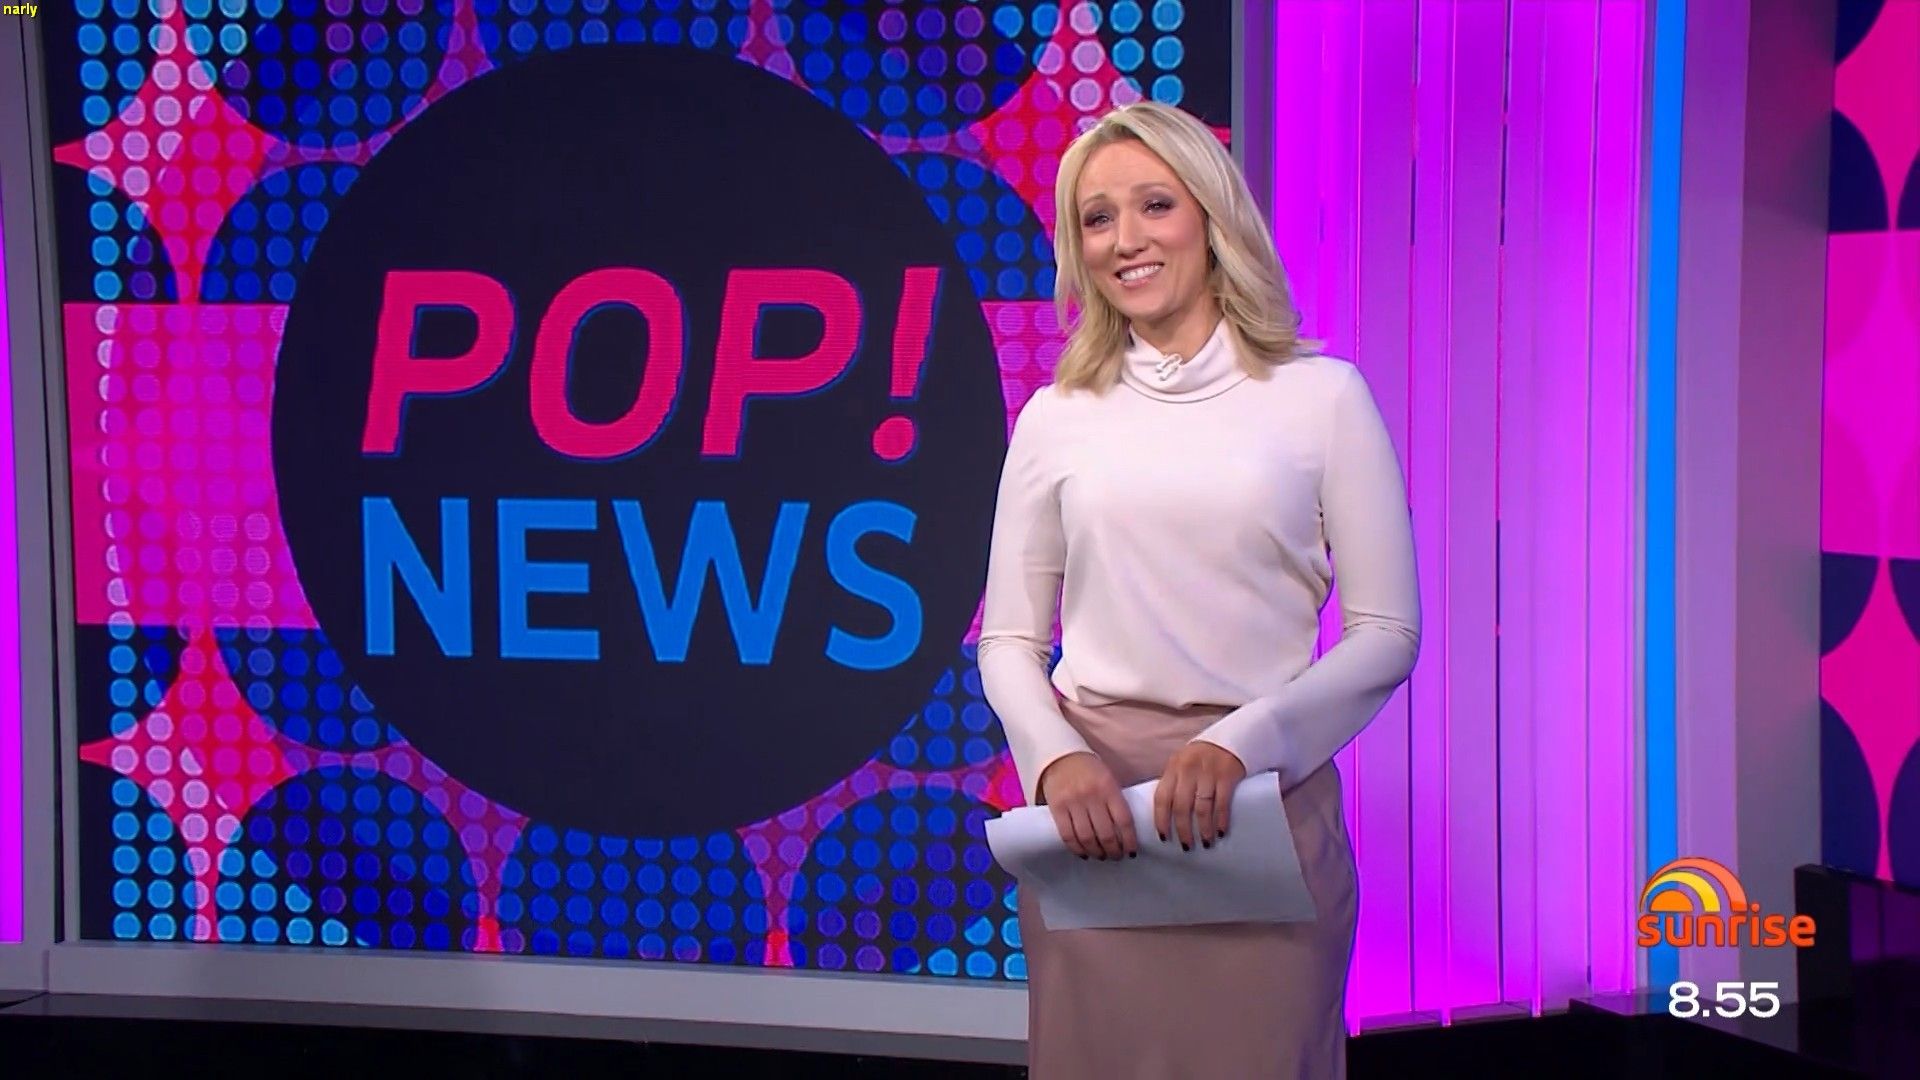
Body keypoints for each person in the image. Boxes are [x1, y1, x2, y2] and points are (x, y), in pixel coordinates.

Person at [977, 100, 1420, 1078]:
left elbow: (1388, 632)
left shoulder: (1323, 398)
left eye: (1154, 205)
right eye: (1098, 218)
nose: (1125, 240)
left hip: (1261, 806)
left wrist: (1240, 744)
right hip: (1095, 821)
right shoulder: (1057, 415)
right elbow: (1007, 640)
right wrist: (1054, 761)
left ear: (1212, 217)